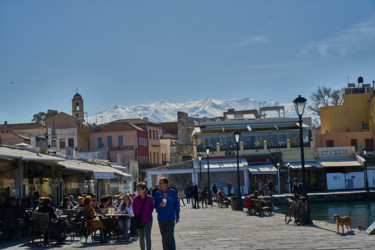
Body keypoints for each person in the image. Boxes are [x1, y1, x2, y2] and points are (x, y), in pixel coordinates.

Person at [154, 177, 180, 250]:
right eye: (159, 183)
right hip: (161, 219)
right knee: (164, 237)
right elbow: (154, 205)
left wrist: (177, 216)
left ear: (166, 184)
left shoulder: (173, 192)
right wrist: (159, 205)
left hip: (170, 218)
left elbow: (176, 205)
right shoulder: (157, 193)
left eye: (161, 183)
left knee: (170, 235)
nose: (159, 185)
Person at [133, 182, 154, 250]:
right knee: (141, 237)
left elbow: (152, 208)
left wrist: (147, 213)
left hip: (148, 220)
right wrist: (138, 215)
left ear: (144, 189)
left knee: (147, 236)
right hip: (139, 220)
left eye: (139, 189)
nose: (138, 191)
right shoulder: (135, 199)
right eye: (137, 189)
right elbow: (134, 209)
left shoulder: (150, 198)